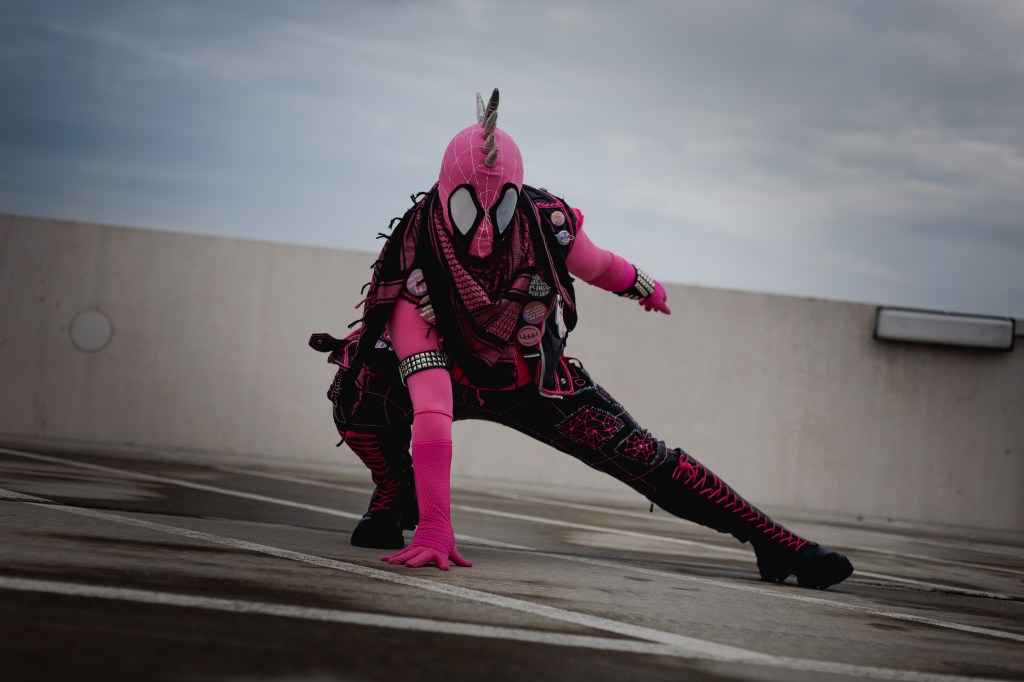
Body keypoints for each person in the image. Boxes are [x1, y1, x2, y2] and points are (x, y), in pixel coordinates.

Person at [310, 90, 854, 589]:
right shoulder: (416, 266)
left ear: (517, 198)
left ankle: (777, 544)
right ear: (444, 192)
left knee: (645, 456)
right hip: (433, 376)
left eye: (497, 210)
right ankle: (391, 493)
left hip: (529, 377)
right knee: (357, 393)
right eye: (466, 209)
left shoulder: (547, 225)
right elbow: (431, 407)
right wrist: (434, 528)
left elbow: (595, 264)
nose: (481, 232)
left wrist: (644, 285)